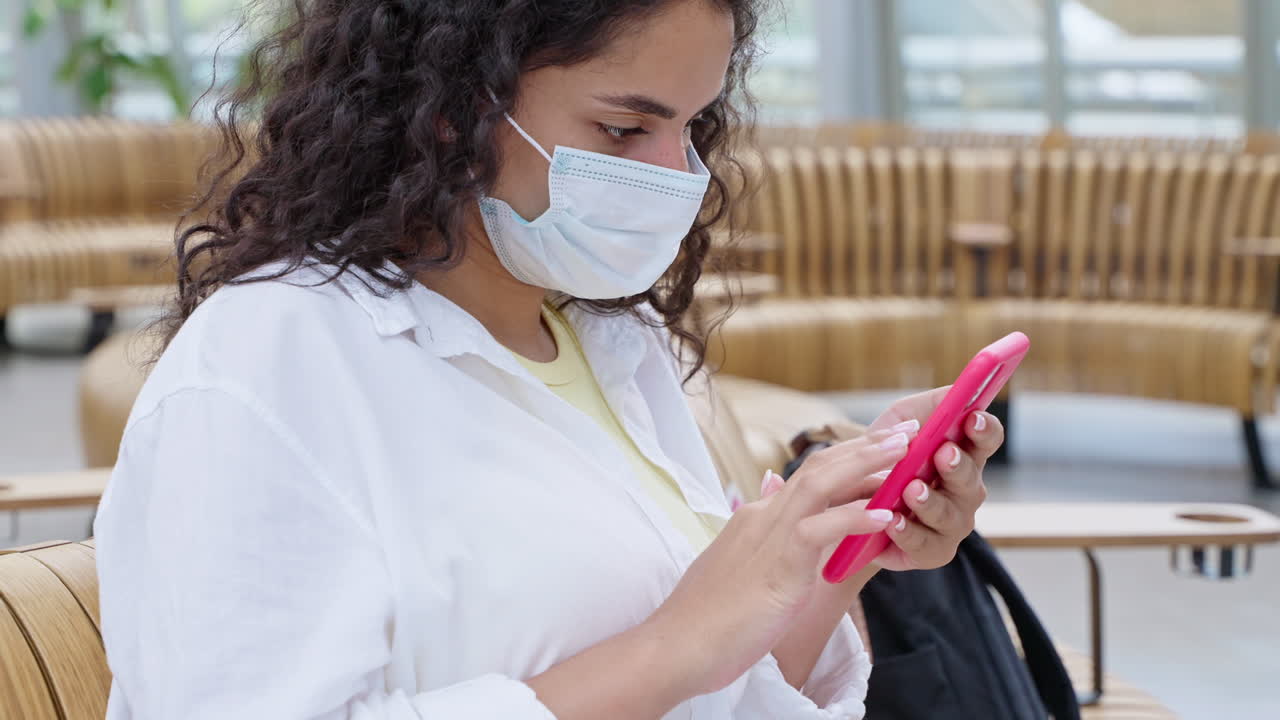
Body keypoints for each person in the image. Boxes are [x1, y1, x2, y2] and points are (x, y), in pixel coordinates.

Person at [93, 1, 1002, 718]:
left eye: (691, 126)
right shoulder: (267, 369)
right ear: (452, 108)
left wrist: (836, 550)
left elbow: (717, 692)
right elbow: (675, 662)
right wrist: (668, 647)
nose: (674, 174)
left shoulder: (612, 343)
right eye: (622, 131)